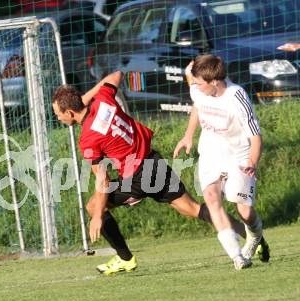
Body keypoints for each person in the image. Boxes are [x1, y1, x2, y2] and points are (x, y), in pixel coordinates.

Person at [52, 70, 253, 275]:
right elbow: (117, 75)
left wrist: (96, 217)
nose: (58, 118)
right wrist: (84, 100)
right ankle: (252, 236)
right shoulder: (103, 99)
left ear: (69, 112)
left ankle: (125, 259)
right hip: (152, 161)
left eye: (58, 114)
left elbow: (103, 179)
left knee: (94, 206)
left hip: (138, 176)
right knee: (191, 208)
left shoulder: (87, 139)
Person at [174, 54, 270, 270]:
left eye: (199, 83)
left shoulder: (236, 97)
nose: (195, 87)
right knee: (211, 196)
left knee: (244, 212)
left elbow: (256, 136)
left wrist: (253, 162)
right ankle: (237, 256)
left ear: (214, 81)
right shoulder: (198, 86)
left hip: (239, 154)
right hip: (211, 151)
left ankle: (254, 235)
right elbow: (197, 104)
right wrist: (188, 135)